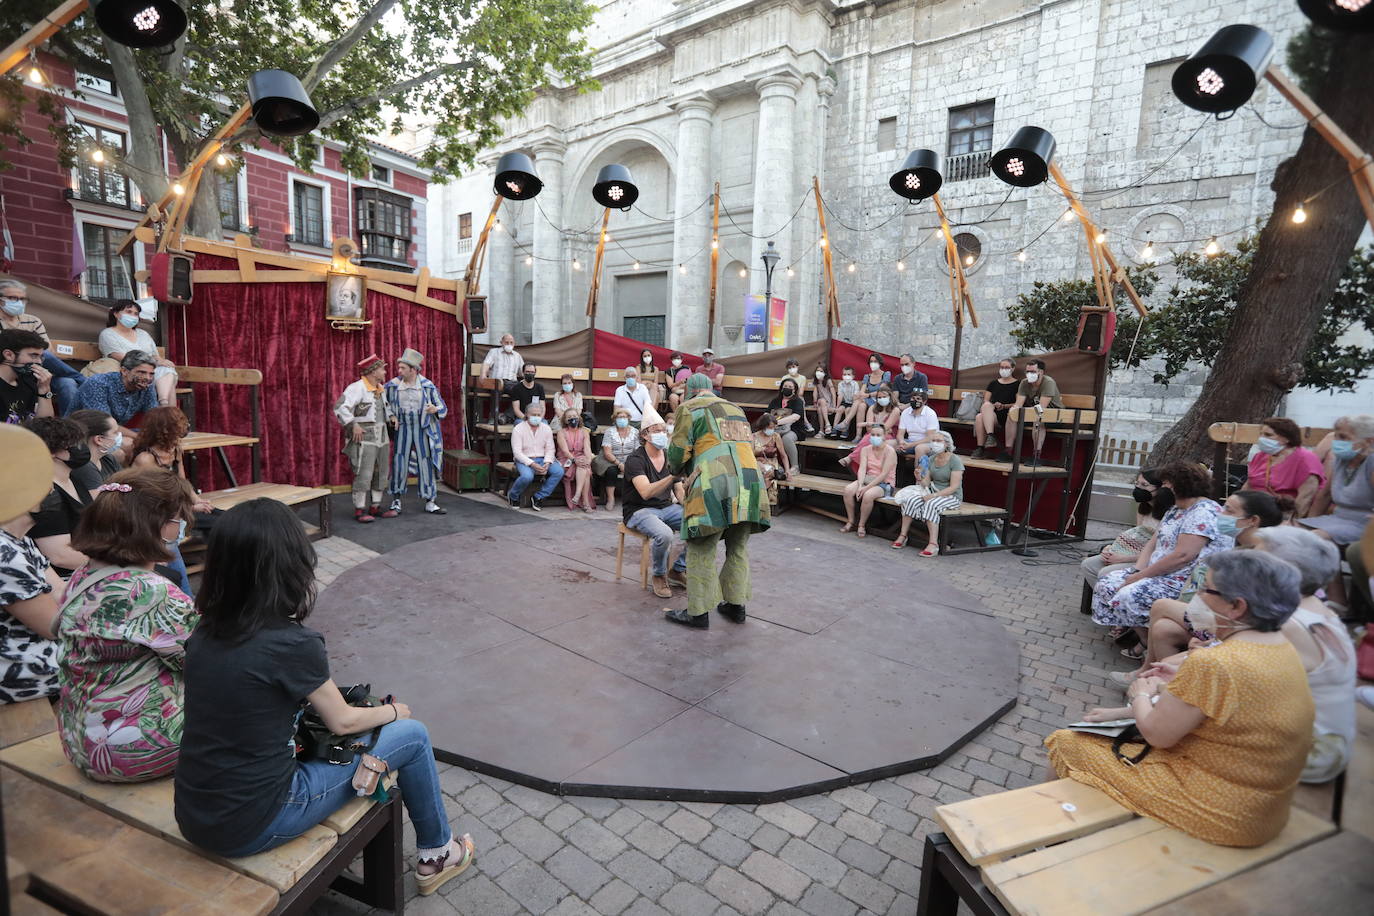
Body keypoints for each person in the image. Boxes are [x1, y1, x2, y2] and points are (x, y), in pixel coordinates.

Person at [174, 499, 476, 890]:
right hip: (259, 819)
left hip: (196, 814)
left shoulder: (205, 631)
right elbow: (343, 720)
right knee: (413, 735)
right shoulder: (291, 642)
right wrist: (393, 712)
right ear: (289, 565)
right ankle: (438, 854)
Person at [1046, 550, 1314, 848]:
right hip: (1261, 809)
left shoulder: (1216, 663)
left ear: (1237, 606)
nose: (1196, 596)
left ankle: (1050, 837)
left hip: (1220, 812)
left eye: (1205, 588)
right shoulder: (1281, 648)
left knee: (1067, 742)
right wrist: (1172, 689)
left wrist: (1141, 694)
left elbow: (1158, 734)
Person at [58, 468, 199, 782]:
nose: (183, 527)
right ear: (157, 526)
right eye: (179, 519)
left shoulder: (84, 576)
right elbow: (204, 661)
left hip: (81, 741)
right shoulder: (151, 591)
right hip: (137, 750)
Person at [1112, 490, 1286, 680]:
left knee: (1161, 605)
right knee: (1163, 628)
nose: (1220, 515)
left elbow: (1247, 612)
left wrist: (1213, 636)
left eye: (1228, 510)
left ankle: (1148, 675)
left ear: (1252, 520)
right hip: (1219, 621)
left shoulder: (1262, 557)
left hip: (1238, 630)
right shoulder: (1243, 546)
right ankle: (1162, 685)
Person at [664, 373, 770, 628]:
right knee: (738, 547)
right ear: (711, 389)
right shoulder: (736, 408)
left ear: (690, 391)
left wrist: (676, 467)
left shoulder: (688, 408)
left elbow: (678, 455)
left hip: (715, 481)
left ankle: (697, 613)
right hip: (750, 481)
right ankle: (736, 606)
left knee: (701, 548)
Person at [1091, 462, 1231, 638]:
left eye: (1165, 484)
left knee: (1128, 594)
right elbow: (1152, 543)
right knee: (1106, 584)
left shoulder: (1203, 513)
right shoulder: (1175, 509)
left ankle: (1148, 643)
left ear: (1178, 486)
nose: (1162, 488)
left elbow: (1182, 556)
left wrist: (1139, 577)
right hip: (1156, 572)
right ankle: (1143, 639)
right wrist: (1136, 571)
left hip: (1181, 580)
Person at [0, 424, 65, 704]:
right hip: (18, 667)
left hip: (33, 648)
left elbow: (62, 591)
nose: (52, 486)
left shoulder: (17, 537)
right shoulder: (5, 554)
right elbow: (54, 626)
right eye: (44, 479)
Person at [130, 406, 211, 594]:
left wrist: (197, 500)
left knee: (221, 518)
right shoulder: (145, 458)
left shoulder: (175, 449)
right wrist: (187, 508)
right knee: (172, 556)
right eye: (179, 425)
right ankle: (187, 600)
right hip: (153, 516)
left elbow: (181, 482)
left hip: (175, 510)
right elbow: (153, 496)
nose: (184, 429)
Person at [1302, 414, 1374, 613]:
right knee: (1289, 532)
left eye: (1344, 437)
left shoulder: (1372, 462)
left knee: (1317, 538)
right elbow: (1324, 495)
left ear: (1368, 441)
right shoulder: (1343, 460)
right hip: (1338, 519)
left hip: (1364, 522)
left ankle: (1337, 598)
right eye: (1336, 437)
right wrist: (1307, 521)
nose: (1337, 442)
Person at [622, 406, 688, 598]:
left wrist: (689, 506)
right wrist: (672, 477)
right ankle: (659, 575)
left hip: (666, 507)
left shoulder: (669, 455)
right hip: (639, 510)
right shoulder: (635, 459)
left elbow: (678, 489)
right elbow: (645, 492)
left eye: (664, 430)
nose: (662, 434)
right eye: (657, 430)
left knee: (700, 525)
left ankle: (678, 570)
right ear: (645, 435)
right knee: (665, 534)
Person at [0, 279, 84, 414]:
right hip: (11, 369)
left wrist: (33, 356)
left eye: (22, 299)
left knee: (67, 383)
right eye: (12, 298)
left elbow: (46, 351)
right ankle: (83, 380)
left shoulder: (33, 320)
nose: (18, 302)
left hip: (38, 370)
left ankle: (69, 428)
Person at [23, 416, 93, 578]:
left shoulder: (73, 479)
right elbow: (60, 556)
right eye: (74, 443)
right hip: (65, 578)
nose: (81, 448)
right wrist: (117, 562)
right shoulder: (44, 494)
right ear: (52, 452)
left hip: (90, 564)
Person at [1081, 469, 1174, 589]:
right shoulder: (1143, 508)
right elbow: (1136, 537)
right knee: (1088, 565)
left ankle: (1113, 601)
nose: (1139, 488)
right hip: (1133, 552)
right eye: (1137, 483)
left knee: (1105, 572)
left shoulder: (1169, 514)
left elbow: (1158, 550)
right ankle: (1108, 600)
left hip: (1148, 560)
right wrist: (1111, 549)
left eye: (1144, 485)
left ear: (1160, 488)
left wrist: (1123, 558)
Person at [384, 349, 448, 516]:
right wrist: (391, 416)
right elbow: (384, 404)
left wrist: (435, 409)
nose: (399, 371)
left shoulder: (427, 386)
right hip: (403, 426)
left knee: (425, 461)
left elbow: (442, 407)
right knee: (399, 461)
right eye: (399, 368)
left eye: (403, 368)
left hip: (422, 428)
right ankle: (396, 500)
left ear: (413, 369)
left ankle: (430, 500)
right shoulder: (393, 386)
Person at [333, 354, 394, 524]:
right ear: (373, 371)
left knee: (381, 472)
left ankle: (375, 506)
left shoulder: (381, 389)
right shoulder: (357, 388)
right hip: (365, 437)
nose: (384, 371)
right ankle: (359, 509)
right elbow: (340, 407)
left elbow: (384, 409)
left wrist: (392, 418)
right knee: (364, 472)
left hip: (382, 436)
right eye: (382, 368)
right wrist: (353, 424)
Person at [893, 430, 963, 555]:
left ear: (946, 444)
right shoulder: (932, 459)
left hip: (951, 496)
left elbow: (954, 487)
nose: (935, 443)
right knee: (910, 501)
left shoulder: (955, 460)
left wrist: (934, 495)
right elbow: (926, 482)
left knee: (931, 504)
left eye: (938, 441)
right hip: (933, 492)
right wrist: (919, 477)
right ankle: (903, 535)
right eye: (933, 441)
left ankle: (933, 544)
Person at [98, 300, 179, 407]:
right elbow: (120, 357)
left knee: (167, 370)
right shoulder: (108, 334)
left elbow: (155, 355)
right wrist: (150, 363)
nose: (132, 316)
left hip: (151, 371)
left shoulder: (143, 334)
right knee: (168, 383)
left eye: (136, 314)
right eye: (129, 312)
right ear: (116, 314)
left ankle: (163, 402)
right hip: (127, 372)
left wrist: (162, 361)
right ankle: (168, 412)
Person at [1244, 416, 1324, 517]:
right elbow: (1249, 484)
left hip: (1283, 514)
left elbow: (1305, 499)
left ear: (1286, 438)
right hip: (1254, 510)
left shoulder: (1305, 459)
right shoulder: (1261, 456)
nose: (1262, 439)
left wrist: (1289, 523)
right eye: (1261, 434)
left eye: (1268, 435)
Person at [72, 351, 159, 432]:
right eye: (142, 372)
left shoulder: (147, 386)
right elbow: (104, 424)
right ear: (124, 371)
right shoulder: (98, 383)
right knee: (132, 444)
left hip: (112, 434)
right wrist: (138, 437)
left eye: (151, 374)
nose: (147, 378)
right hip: (82, 434)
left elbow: (154, 418)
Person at [998, 357, 1063, 464]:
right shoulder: (1024, 383)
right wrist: (1014, 410)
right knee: (1012, 414)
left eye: (1032, 372)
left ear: (1041, 372)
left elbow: (1042, 407)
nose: (1029, 374)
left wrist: (1022, 410)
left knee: (1038, 418)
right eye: (1027, 371)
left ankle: (1036, 455)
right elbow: (1018, 404)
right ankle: (1008, 451)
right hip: (1032, 413)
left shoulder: (1048, 382)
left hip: (1054, 416)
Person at [839, 423, 896, 539]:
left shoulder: (890, 451)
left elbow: (884, 474)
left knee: (868, 495)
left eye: (878, 435)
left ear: (884, 436)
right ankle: (851, 521)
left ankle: (861, 525)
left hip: (884, 482)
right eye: (873, 434)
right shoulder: (865, 449)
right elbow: (862, 468)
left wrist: (865, 488)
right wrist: (860, 485)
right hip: (868, 478)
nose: (875, 437)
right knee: (848, 490)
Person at [508, 400, 563, 510]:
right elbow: (517, 452)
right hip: (524, 459)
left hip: (543, 458)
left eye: (539, 415)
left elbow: (550, 448)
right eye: (533, 414)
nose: (536, 417)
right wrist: (532, 464)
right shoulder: (518, 429)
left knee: (559, 471)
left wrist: (547, 462)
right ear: (527, 414)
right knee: (527, 476)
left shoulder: (546, 428)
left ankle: (539, 496)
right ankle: (513, 495)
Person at [1, 328, 54, 424]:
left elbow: (46, 427)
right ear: (8, 355)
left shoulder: (29, 381)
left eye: (41, 357)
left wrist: (44, 391)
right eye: (34, 355)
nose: (39, 362)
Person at [971, 358, 1020, 459]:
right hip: (992, 414)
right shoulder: (993, 383)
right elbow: (986, 400)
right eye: (1002, 367)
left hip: (1008, 415)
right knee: (981, 413)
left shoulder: (1017, 384)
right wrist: (994, 405)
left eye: (1006, 367)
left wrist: (1003, 405)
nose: (1003, 369)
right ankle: (984, 443)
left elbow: (1018, 403)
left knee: (980, 416)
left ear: (1013, 369)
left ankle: (986, 442)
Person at [67, 409, 124, 491]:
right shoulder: (85, 469)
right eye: (115, 432)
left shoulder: (108, 459)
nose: (119, 435)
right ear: (99, 440)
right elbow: (100, 502)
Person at [598, 408, 640, 511]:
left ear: (629, 419)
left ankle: (635, 499)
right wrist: (619, 464)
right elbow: (607, 452)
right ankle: (610, 499)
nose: (622, 419)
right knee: (611, 471)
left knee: (637, 470)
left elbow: (637, 450)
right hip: (613, 460)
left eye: (624, 417)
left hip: (630, 460)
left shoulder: (635, 432)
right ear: (615, 419)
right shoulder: (609, 431)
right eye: (619, 417)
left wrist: (628, 463)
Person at [555, 407, 596, 512]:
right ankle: (586, 503)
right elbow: (565, 451)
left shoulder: (584, 432)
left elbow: (587, 448)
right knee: (584, 469)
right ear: (565, 420)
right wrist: (574, 460)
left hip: (580, 457)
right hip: (566, 459)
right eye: (569, 417)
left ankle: (577, 495)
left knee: (585, 466)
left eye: (574, 416)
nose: (572, 418)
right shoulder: (561, 432)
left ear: (579, 418)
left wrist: (588, 460)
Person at [766, 378, 807, 472]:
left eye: (790, 387)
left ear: (794, 390)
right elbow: (766, 414)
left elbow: (796, 417)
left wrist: (776, 422)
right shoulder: (775, 401)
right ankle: (775, 466)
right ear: (781, 388)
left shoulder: (798, 401)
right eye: (785, 386)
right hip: (775, 428)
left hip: (794, 429)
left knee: (786, 438)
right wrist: (769, 422)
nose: (787, 388)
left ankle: (795, 467)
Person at [751, 413, 791, 506]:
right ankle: (758, 500)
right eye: (770, 427)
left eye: (773, 427)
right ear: (764, 426)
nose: (772, 430)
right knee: (759, 471)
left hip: (772, 463)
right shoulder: (754, 437)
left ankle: (763, 500)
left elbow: (783, 455)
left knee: (769, 472)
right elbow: (750, 454)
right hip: (757, 462)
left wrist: (788, 470)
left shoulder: (775, 436)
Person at [895, 390, 940, 460]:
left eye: (918, 399)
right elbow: (900, 433)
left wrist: (911, 445)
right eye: (913, 398)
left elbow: (930, 437)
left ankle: (918, 471)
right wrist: (901, 442)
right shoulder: (905, 412)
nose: (915, 400)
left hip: (928, 444)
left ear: (924, 402)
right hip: (909, 442)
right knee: (889, 444)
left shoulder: (930, 413)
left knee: (919, 448)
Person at [826, 367, 862, 438]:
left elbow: (855, 397)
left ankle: (845, 430)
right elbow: (840, 396)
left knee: (848, 410)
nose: (846, 376)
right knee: (839, 410)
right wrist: (837, 407)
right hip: (845, 402)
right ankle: (835, 428)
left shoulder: (855, 384)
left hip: (852, 403)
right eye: (844, 374)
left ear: (853, 376)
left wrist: (853, 406)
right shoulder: (841, 384)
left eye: (849, 374)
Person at [811, 364, 839, 434]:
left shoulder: (828, 381)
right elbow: (815, 393)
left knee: (820, 407)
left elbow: (833, 393)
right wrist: (814, 402)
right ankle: (827, 424)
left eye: (821, 371)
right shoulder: (816, 381)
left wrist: (834, 405)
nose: (819, 372)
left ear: (825, 373)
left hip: (829, 403)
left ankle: (821, 430)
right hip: (821, 402)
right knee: (821, 401)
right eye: (817, 371)